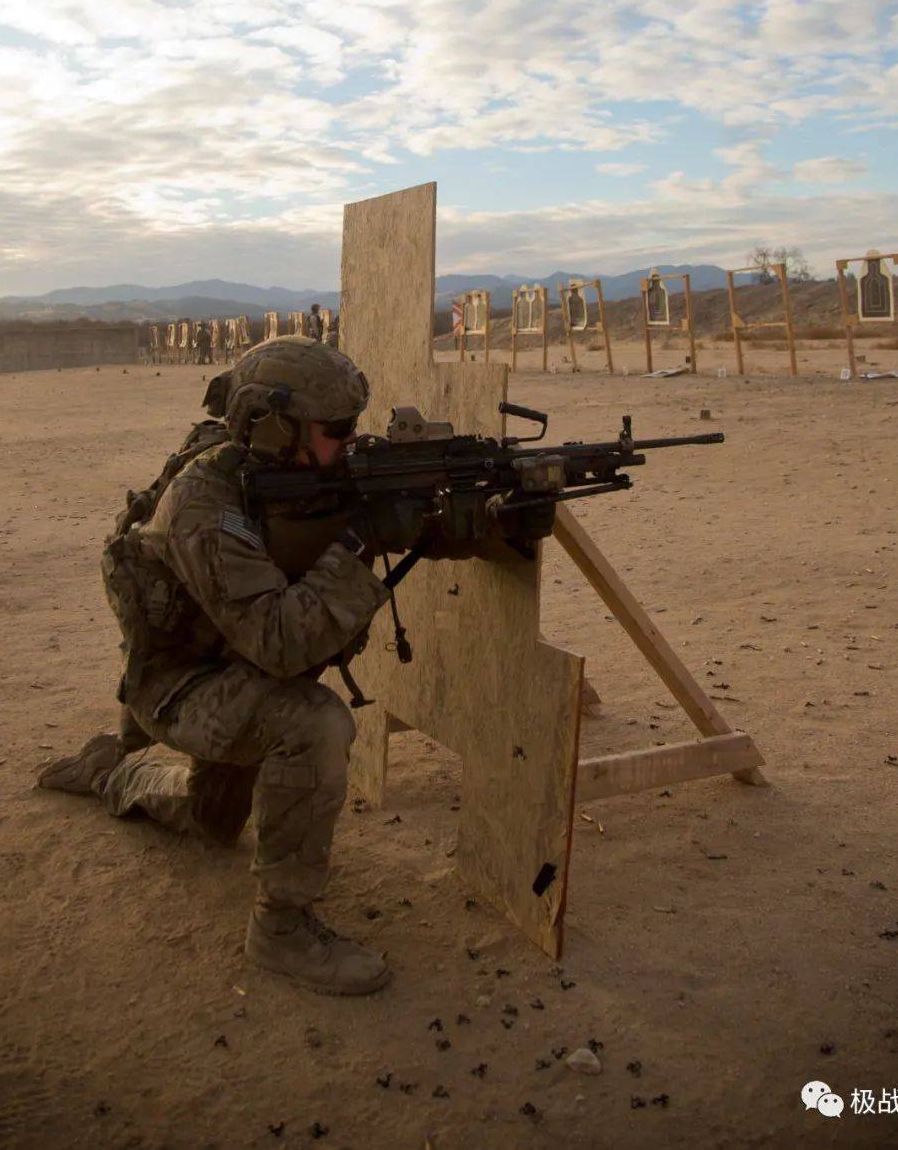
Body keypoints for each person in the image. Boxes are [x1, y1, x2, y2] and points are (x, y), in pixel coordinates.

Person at [36, 338, 551, 996]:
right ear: (276, 429)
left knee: (211, 822)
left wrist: (487, 518)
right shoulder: (205, 507)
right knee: (315, 725)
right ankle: (280, 928)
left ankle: (115, 768)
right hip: (181, 687)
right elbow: (281, 643)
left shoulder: (304, 477)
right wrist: (363, 537)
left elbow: (396, 527)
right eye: (335, 430)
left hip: (233, 673)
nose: (349, 441)